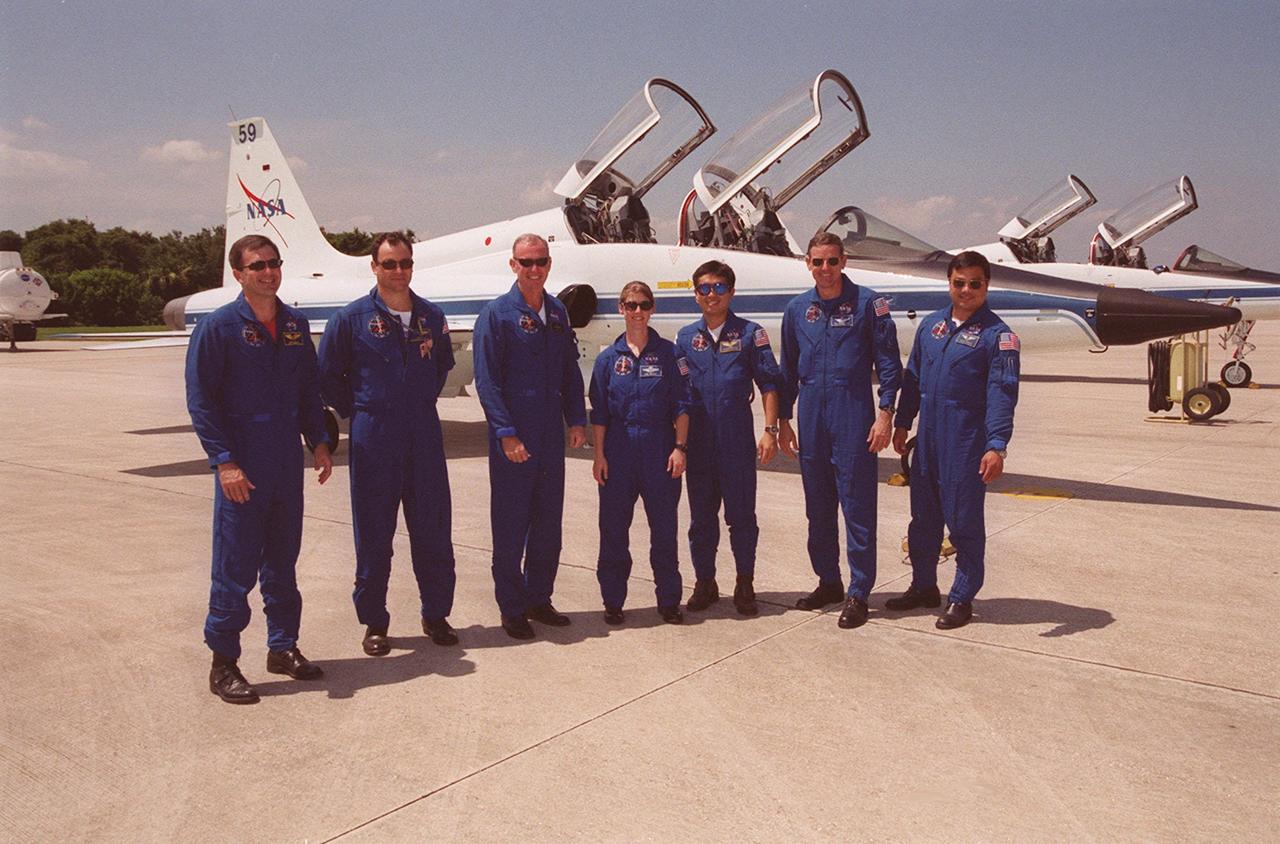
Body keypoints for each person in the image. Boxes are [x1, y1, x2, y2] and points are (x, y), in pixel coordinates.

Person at [186, 234, 333, 704]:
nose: (267, 272)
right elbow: (202, 401)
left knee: (283, 561)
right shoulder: (219, 327)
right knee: (235, 566)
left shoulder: (294, 325)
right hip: (243, 464)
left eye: (273, 263)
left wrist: (321, 442)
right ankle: (223, 663)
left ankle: (282, 647)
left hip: (286, 461)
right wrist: (223, 461)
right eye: (257, 266)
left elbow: (309, 391)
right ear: (239, 274)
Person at [318, 232, 458, 655]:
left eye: (405, 263)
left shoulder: (431, 317)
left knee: (433, 529)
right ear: (374, 267)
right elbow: (328, 378)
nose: (398, 271)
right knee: (375, 532)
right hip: (374, 435)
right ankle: (375, 622)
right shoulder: (351, 319)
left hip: (423, 434)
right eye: (390, 264)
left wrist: (413, 404)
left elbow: (440, 369)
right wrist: (363, 411)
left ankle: (436, 614)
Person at [888, 250, 1020, 629]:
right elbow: (912, 379)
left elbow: (1002, 393)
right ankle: (923, 586)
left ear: (986, 286)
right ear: (949, 283)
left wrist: (996, 444)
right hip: (927, 438)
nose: (966, 290)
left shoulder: (999, 337)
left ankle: (962, 596)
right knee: (923, 519)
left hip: (966, 440)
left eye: (974, 284)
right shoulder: (931, 327)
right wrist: (902, 422)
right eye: (959, 283)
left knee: (963, 521)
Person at [778, 231, 901, 629]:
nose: (825, 269)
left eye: (832, 261)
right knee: (818, 507)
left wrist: (885, 415)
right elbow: (787, 372)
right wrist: (783, 421)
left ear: (844, 262)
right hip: (812, 415)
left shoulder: (869, 305)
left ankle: (859, 591)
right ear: (808, 264)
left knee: (858, 506)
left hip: (853, 415)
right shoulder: (797, 310)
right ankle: (828, 581)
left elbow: (888, 365)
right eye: (818, 262)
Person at [473, 234, 587, 640]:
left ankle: (539, 597)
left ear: (549, 264)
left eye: (540, 261)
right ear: (513, 264)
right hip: (514, 436)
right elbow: (487, 382)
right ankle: (512, 606)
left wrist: (576, 419)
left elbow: (569, 371)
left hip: (549, 435)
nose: (533, 269)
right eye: (526, 262)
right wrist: (506, 433)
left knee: (547, 522)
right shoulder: (497, 315)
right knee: (510, 523)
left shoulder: (556, 311)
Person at [675, 260, 782, 616]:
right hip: (701, 444)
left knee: (741, 518)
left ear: (731, 292)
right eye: (704, 288)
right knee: (701, 520)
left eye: (719, 288)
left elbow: (769, 383)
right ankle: (705, 581)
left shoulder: (751, 334)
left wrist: (770, 431)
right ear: (695, 294)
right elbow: (679, 396)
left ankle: (744, 582)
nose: (712, 295)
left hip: (737, 442)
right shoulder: (686, 338)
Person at [590, 281, 692, 625]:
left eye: (644, 305)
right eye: (631, 305)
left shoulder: (670, 355)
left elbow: (682, 405)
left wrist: (680, 448)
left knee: (664, 530)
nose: (638, 312)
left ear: (652, 309)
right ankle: (613, 600)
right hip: (618, 450)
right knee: (614, 531)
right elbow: (600, 413)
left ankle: (668, 600)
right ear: (621, 308)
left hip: (659, 448)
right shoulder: (607, 360)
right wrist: (599, 455)